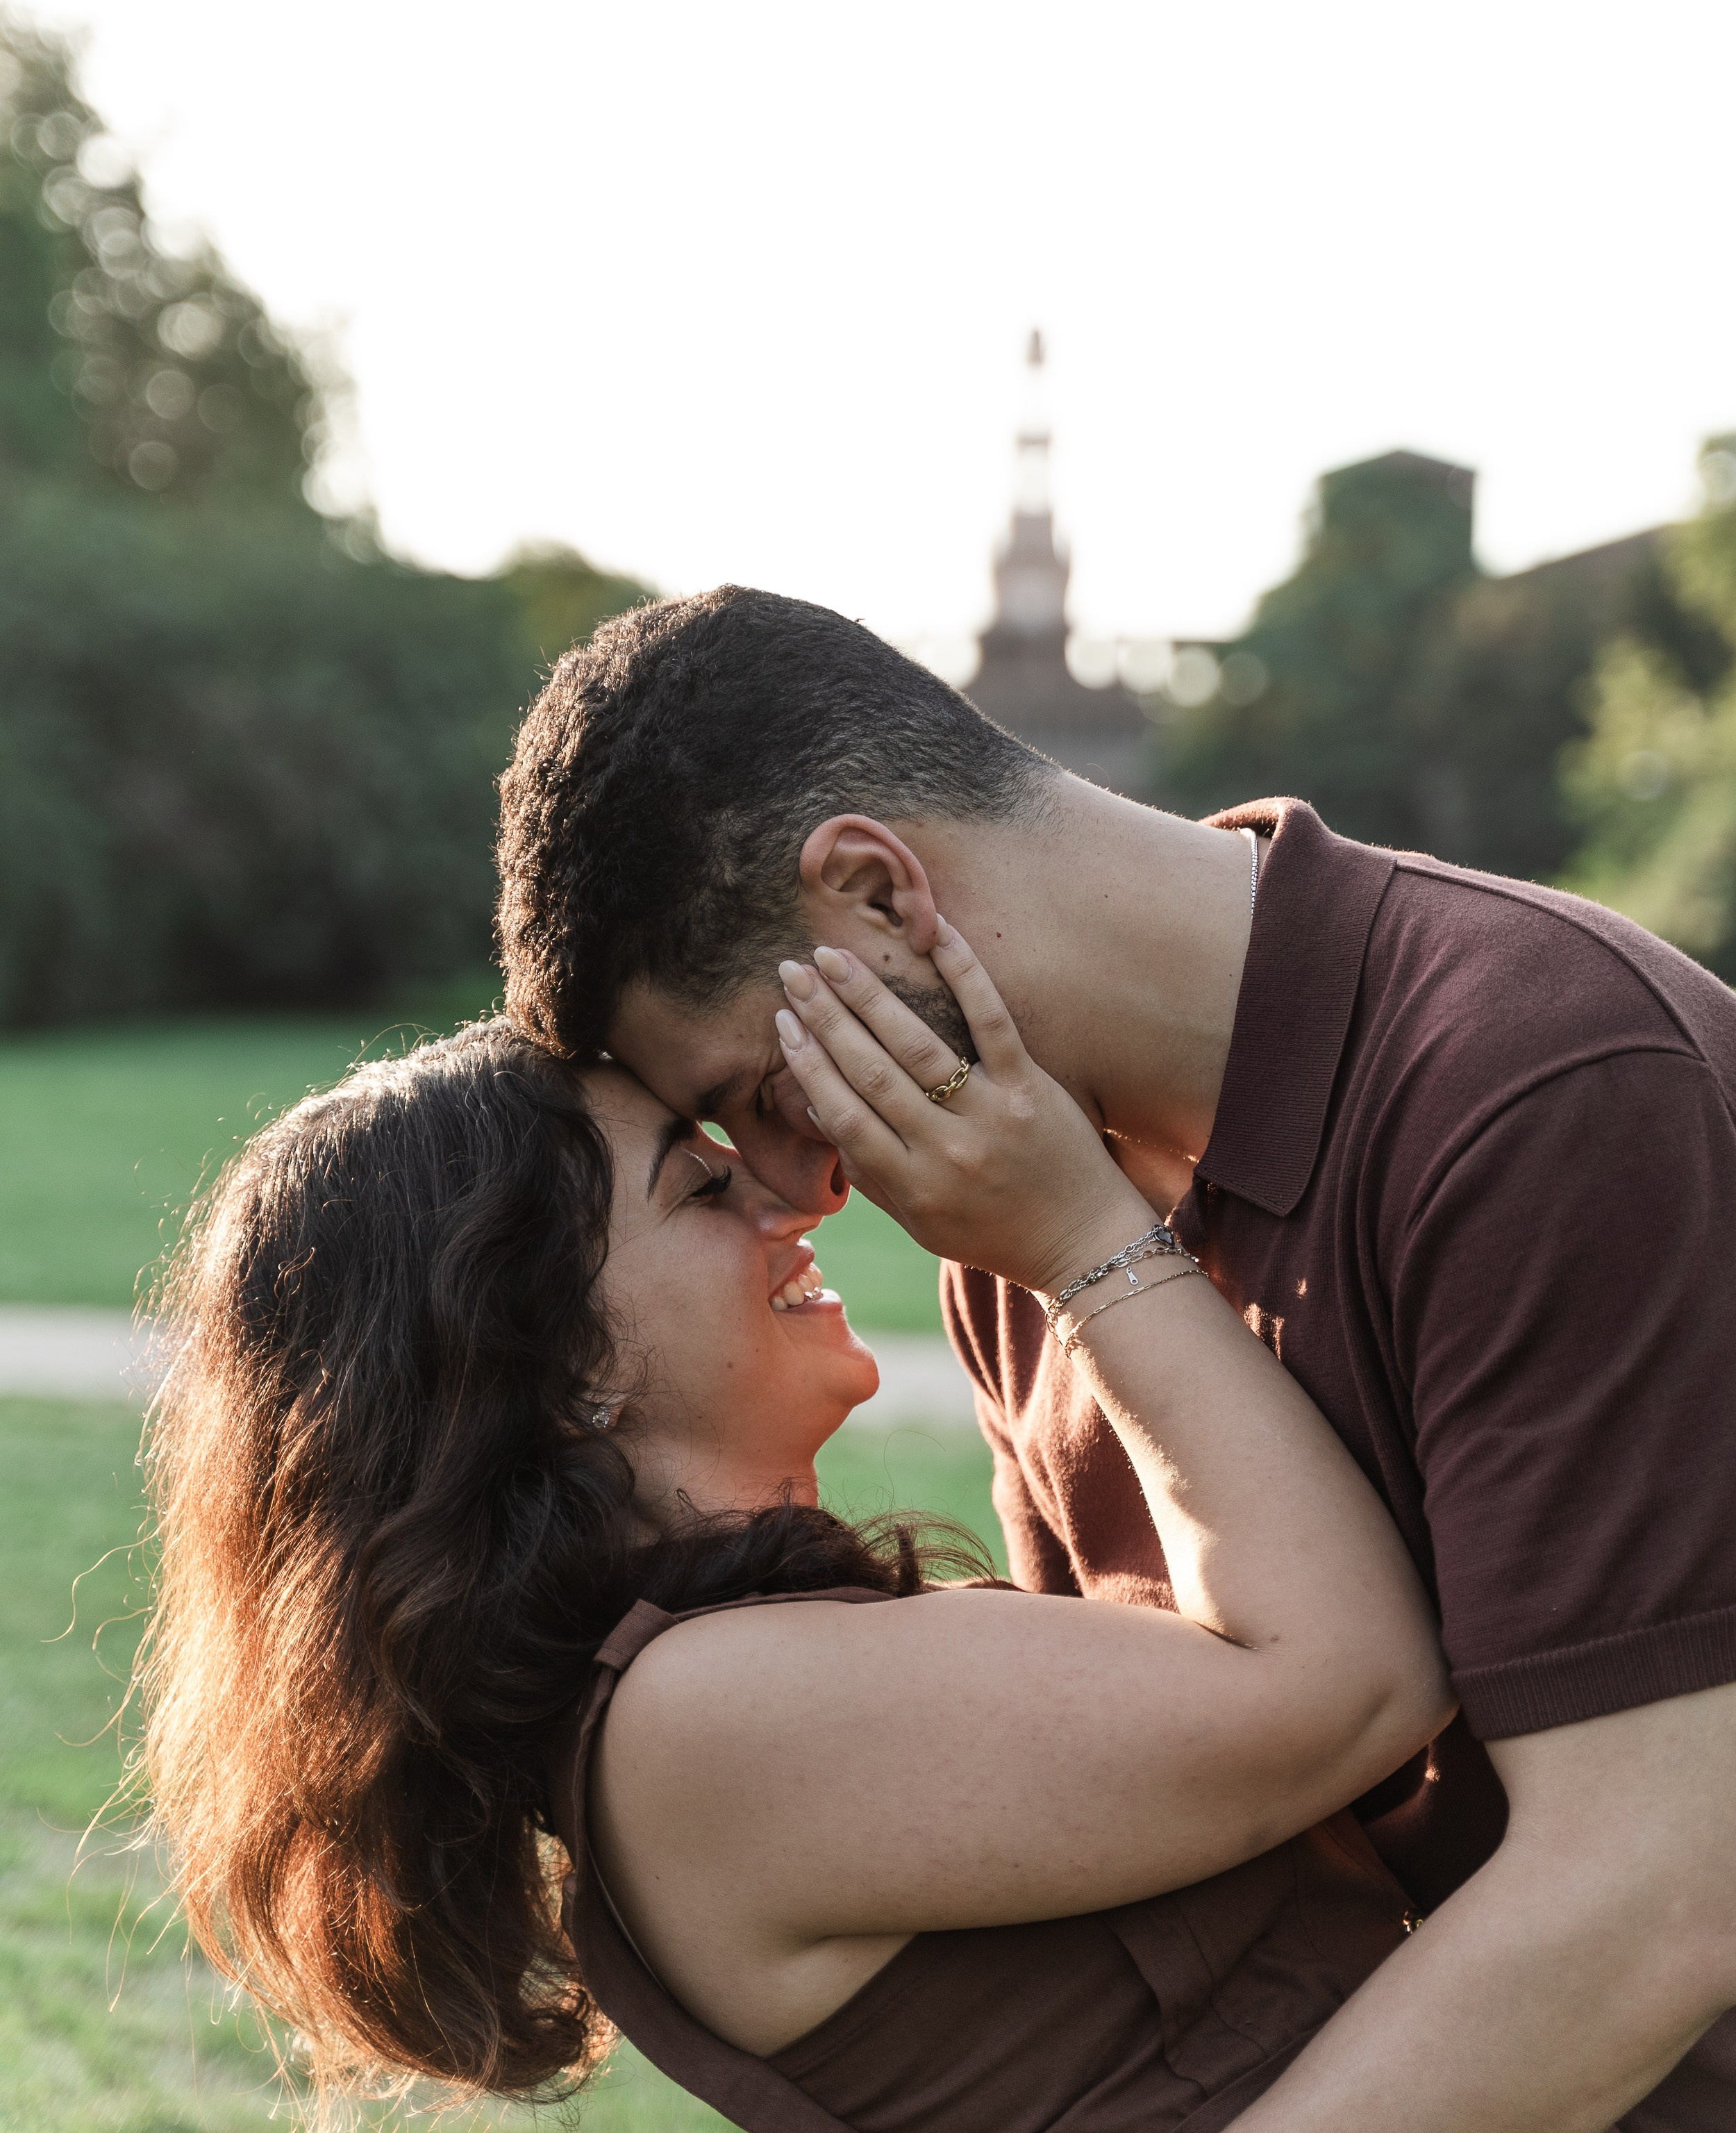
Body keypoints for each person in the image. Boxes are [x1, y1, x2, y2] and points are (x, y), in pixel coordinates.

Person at [496, 583, 1736, 2132]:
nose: (802, 1186)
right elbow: (1230, 1820)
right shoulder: (1019, 1238)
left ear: (875, 892)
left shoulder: (1539, 1084)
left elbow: (1654, 1898)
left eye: (766, 1085)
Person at [137, 999, 1449, 2129]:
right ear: (562, 1362)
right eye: (701, 1186)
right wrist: (1072, 1235)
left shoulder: (715, 1686)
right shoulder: (693, 1724)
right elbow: (1353, 1682)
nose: (793, 1194)